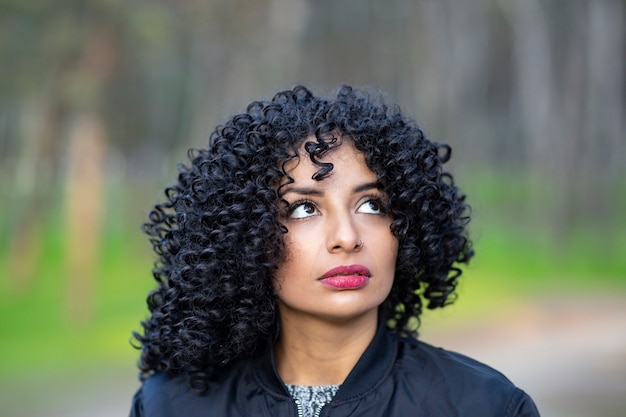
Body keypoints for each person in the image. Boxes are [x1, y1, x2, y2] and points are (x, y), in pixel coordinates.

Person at [129, 85, 540, 417]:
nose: (347, 236)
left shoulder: (486, 406)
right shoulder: (169, 406)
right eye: (304, 208)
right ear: (244, 235)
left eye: (372, 205)